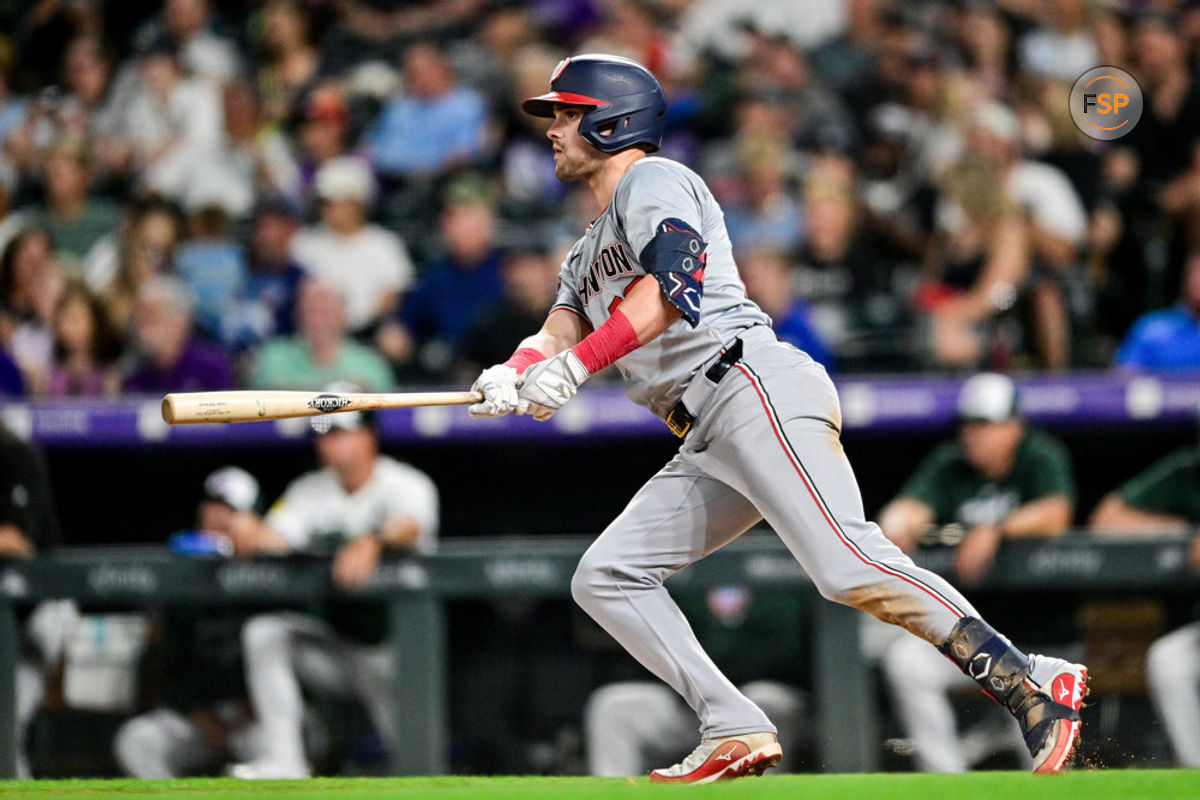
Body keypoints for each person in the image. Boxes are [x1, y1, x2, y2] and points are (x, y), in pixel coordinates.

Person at [468, 54, 1088, 782]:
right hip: (705, 428)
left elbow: (670, 288)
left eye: (568, 113)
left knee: (845, 563)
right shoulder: (586, 246)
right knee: (606, 576)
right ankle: (730, 723)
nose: (554, 129)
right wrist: (513, 373)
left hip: (748, 384)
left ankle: (1030, 678)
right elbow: (560, 326)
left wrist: (573, 371)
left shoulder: (654, 180)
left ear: (613, 118)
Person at [873, 373, 1080, 772]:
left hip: (1041, 642)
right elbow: (906, 510)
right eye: (967, 425)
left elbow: (1057, 512)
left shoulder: (1039, 455)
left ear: (1014, 426)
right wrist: (899, 522)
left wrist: (997, 529)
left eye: (984, 425)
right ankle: (949, 783)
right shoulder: (950, 464)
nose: (972, 435)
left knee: (1052, 771)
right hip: (974, 644)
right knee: (906, 662)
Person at [223, 403, 439, 779]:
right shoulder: (309, 490)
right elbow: (275, 536)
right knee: (265, 633)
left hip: (396, 656)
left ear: (368, 436)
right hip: (336, 648)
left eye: (337, 433)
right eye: (322, 434)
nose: (326, 443)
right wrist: (247, 528)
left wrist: (372, 541)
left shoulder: (407, 484)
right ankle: (285, 760)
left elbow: (412, 524)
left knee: (415, 767)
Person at [113, 466, 267, 778]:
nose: (214, 516)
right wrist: (198, 712)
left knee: (279, 745)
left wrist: (253, 708)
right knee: (137, 741)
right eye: (210, 506)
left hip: (259, 718)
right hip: (199, 717)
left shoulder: (274, 574)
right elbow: (169, 664)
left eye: (228, 510)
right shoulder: (183, 581)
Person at [584, 586, 807, 777]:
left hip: (752, 702)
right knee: (612, 705)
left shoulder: (775, 585)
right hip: (690, 706)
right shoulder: (681, 575)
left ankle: (761, 793)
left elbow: (790, 654)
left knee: (765, 697)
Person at [1089, 415, 1200, 768]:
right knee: (1169, 660)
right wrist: (1185, 529)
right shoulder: (1188, 470)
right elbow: (1107, 519)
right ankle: (1193, 774)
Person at [0, 414, 76, 779]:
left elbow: (15, 542)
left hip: (41, 607)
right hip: (7, 614)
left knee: (3, 724)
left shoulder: (14, 452)